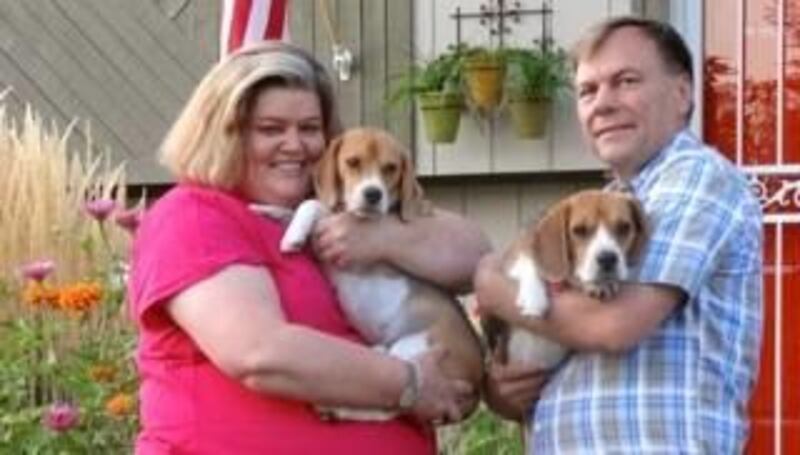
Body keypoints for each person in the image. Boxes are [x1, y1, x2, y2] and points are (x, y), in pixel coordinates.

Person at [128, 41, 490, 454]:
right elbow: (258, 353)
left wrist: (384, 238)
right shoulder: (194, 214)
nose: (295, 145)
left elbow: (476, 258)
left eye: (310, 128)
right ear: (224, 135)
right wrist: (407, 383)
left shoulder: (336, 213)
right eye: (270, 129)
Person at [475, 16, 763, 454]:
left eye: (626, 81)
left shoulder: (698, 177)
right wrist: (502, 391)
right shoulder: (605, 205)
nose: (603, 104)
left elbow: (614, 324)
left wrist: (492, 288)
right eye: (588, 91)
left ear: (682, 93)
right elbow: (555, 344)